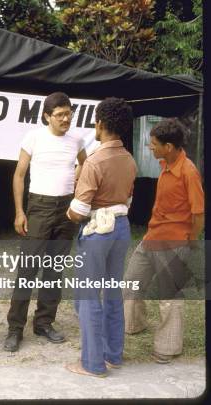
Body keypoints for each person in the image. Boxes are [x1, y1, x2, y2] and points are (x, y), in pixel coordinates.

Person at [4, 92, 87, 352]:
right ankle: (15, 328)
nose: (66, 118)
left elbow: (86, 164)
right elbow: (19, 175)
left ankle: (44, 323)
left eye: (69, 113)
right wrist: (20, 211)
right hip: (39, 207)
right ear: (47, 116)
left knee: (55, 269)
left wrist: (76, 179)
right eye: (60, 114)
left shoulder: (77, 139)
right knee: (28, 270)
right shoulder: (34, 137)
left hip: (66, 210)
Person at [65, 97, 137, 377]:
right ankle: (113, 356)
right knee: (112, 293)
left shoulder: (94, 161)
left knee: (88, 297)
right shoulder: (129, 159)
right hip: (121, 228)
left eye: (95, 120)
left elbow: (80, 210)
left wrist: (68, 212)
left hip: (97, 230)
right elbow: (129, 200)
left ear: (102, 124)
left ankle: (92, 364)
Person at [123, 118, 204, 364]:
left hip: (174, 243)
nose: (151, 147)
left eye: (154, 144)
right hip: (151, 237)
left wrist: (189, 241)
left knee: (168, 297)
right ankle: (134, 324)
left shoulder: (188, 171)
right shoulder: (165, 163)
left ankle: (168, 347)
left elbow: (198, 213)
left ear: (168, 147)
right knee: (131, 283)